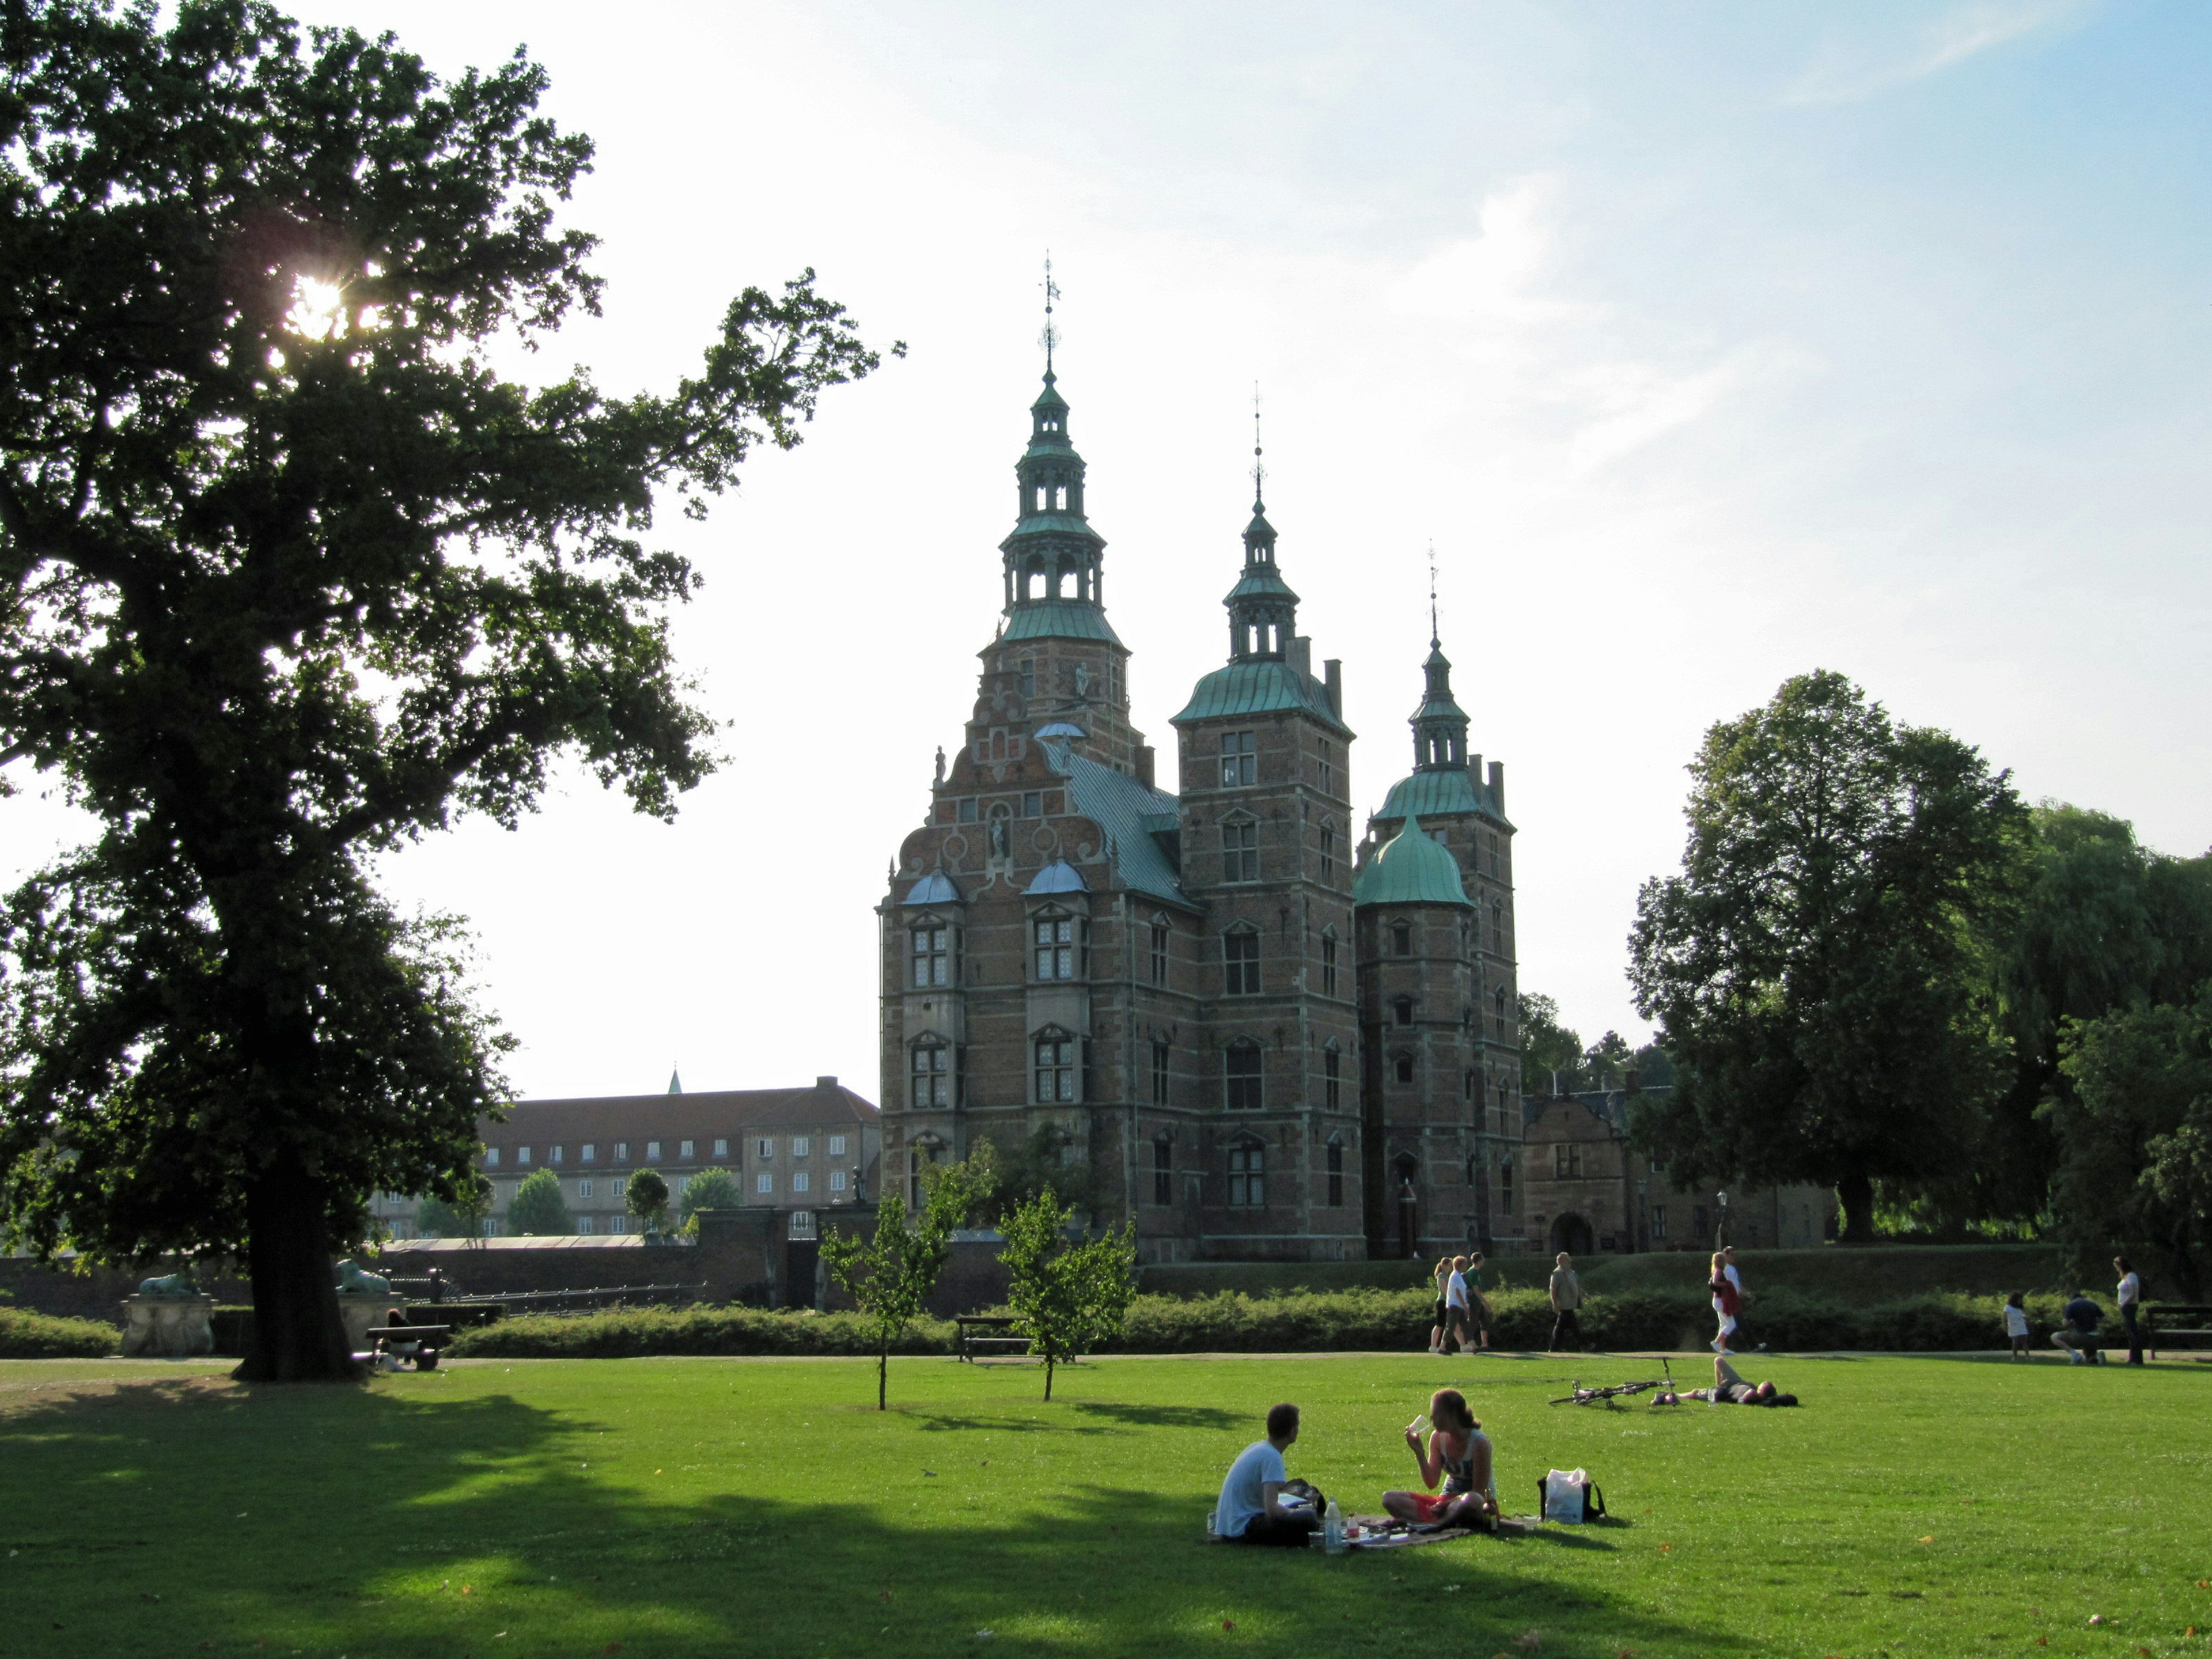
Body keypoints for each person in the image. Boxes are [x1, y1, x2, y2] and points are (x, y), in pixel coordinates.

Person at [1382, 1387, 1499, 1529]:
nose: (1431, 1420)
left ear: (1452, 1415)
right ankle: (1438, 1523)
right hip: (1445, 1503)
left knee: (1471, 1500)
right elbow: (1432, 1482)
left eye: (1436, 1414)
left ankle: (1432, 1525)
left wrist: (1447, 1505)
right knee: (1390, 1498)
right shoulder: (1438, 1438)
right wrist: (1420, 1453)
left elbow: (1479, 1493)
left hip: (1474, 1506)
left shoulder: (1479, 1443)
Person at [1215, 1403, 1319, 1546]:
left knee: (1302, 1515)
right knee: (1309, 1518)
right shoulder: (1272, 1457)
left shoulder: (1257, 1447)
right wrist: (1293, 1513)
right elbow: (1272, 1510)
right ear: (1293, 1431)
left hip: (1228, 1526)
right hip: (1243, 1529)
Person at [1656, 1354, 1798, 1406]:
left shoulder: (1752, 1395)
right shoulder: (1753, 1390)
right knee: (1718, 1361)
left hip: (1729, 1388)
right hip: (1734, 1383)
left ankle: (1673, 1396)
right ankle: (1671, 1396)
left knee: (1695, 1393)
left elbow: (1745, 1400)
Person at [2051, 1290, 2105, 1365]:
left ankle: (2075, 1355)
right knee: (2089, 1359)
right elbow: (2104, 1319)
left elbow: (2065, 1323)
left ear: (2072, 1299)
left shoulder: (2072, 1305)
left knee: (2055, 1337)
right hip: (2095, 1336)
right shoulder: (2093, 1304)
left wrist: (2072, 1325)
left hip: (2080, 1335)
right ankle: (2097, 1356)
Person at [1548, 1252, 1582, 1351]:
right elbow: (1553, 1289)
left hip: (1571, 1303)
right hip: (1564, 1304)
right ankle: (1584, 1344)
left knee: (1560, 1328)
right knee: (1574, 1326)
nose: (1570, 1261)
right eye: (1567, 1259)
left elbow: (1578, 1286)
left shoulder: (1571, 1273)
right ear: (1562, 1261)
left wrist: (1585, 1295)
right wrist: (1555, 1304)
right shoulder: (1557, 1274)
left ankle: (1554, 1348)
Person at [1709, 1251, 1740, 1355]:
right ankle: (1716, 1342)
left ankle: (1723, 1348)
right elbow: (1716, 1282)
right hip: (1721, 1300)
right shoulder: (1719, 1271)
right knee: (1732, 1324)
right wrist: (1726, 1285)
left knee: (1724, 1324)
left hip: (1718, 1300)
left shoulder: (1715, 1270)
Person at [2115, 1257, 2143, 1365]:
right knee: (2129, 1333)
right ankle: (2132, 1358)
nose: (2117, 1269)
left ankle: (2137, 1359)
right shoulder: (2125, 1277)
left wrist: (2124, 1303)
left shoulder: (2131, 1276)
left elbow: (2134, 1293)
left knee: (2133, 1332)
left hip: (2130, 1306)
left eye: (2118, 1267)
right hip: (2126, 1307)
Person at [1445, 1255, 1475, 1355]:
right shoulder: (1456, 1276)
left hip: (1460, 1306)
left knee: (1465, 1326)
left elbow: (1461, 1291)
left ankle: (1473, 1345)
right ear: (1461, 1265)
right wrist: (1465, 1306)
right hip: (1455, 1305)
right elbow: (1458, 1292)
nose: (1466, 1266)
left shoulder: (1459, 1276)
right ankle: (1443, 1347)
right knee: (1451, 1327)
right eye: (1465, 1264)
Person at [1465, 1251, 1494, 1352]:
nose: (1484, 1261)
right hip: (1474, 1302)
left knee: (1484, 1322)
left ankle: (1484, 1344)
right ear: (1479, 1261)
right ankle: (1469, 1345)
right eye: (1482, 1259)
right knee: (1472, 1324)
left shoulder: (1477, 1272)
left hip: (1478, 1302)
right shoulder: (1473, 1272)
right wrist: (1485, 1302)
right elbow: (1475, 1289)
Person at [1428, 1257, 1453, 1355]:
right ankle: (1433, 1345)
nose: (1451, 1267)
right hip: (1442, 1302)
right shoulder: (1441, 1276)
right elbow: (1445, 1290)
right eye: (1450, 1265)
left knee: (1447, 1325)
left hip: (1446, 1301)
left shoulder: (1447, 1276)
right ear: (1444, 1265)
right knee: (1439, 1325)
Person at [2003, 1291, 2032, 1361]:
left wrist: (2026, 1318)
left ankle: (2027, 1356)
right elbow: (2004, 1317)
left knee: (2024, 1341)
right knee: (2015, 1342)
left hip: (2021, 1325)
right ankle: (2015, 1356)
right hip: (2013, 1326)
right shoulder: (2008, 1307)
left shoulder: (2020, 1308)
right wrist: (2004, 1325)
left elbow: (2022, 1315)